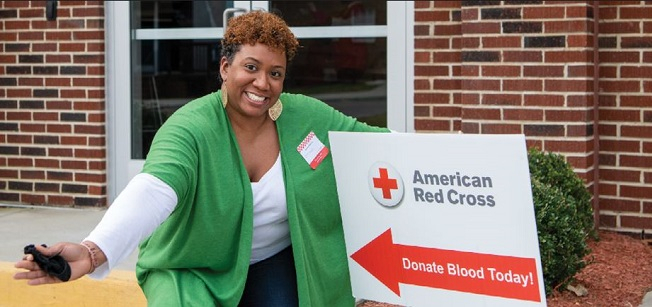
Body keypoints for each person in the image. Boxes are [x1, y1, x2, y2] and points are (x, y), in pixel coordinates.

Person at [14, 10, 388, 306]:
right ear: (225, 68)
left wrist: (443, 157)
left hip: (272, 261)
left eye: (276, 73)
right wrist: (94, 251)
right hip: (191, 265)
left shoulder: (306, 118)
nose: (263, 84)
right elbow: (154, 188)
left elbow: (379, 145)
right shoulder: (192, 127)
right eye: (251, 67)